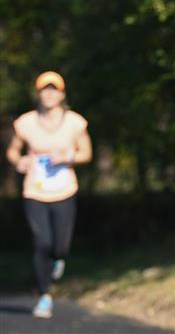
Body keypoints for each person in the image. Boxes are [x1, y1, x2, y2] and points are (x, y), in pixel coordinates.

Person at [6, 71, 93, 319]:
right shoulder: (26, 122)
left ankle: (58, 260)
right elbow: (13, 150)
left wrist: (67, 157)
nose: (49, 94)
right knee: (42, 242)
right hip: (35, 191)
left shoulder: (74, 122)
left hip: (64, 190)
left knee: (60, 246)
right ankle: (44, 295)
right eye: (45, 89)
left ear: (62, 94)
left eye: (54, 89)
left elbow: (87, 153)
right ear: (38, 93)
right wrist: (19, 161)